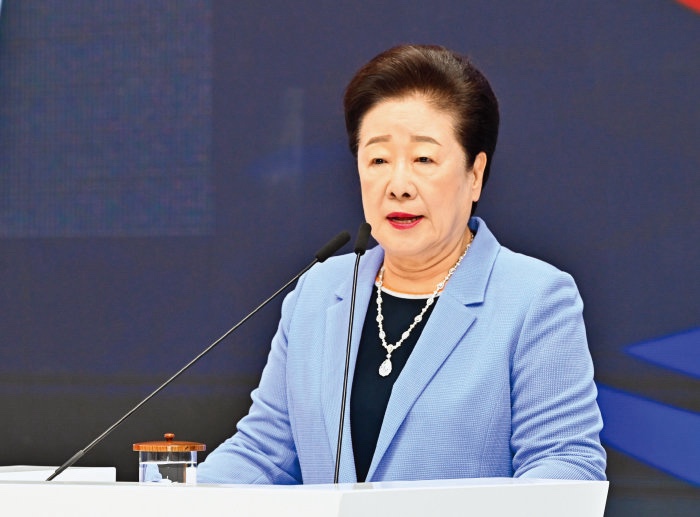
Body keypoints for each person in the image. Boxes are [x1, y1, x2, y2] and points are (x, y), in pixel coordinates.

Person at [198, 44, 607, 484]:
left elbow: (566, 463)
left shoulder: (534, 298)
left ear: (475, 174)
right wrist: (170, 501)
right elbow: (263, 454)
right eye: (378, 160)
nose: (398, 186)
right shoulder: (318, 292)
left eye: (423, 159)